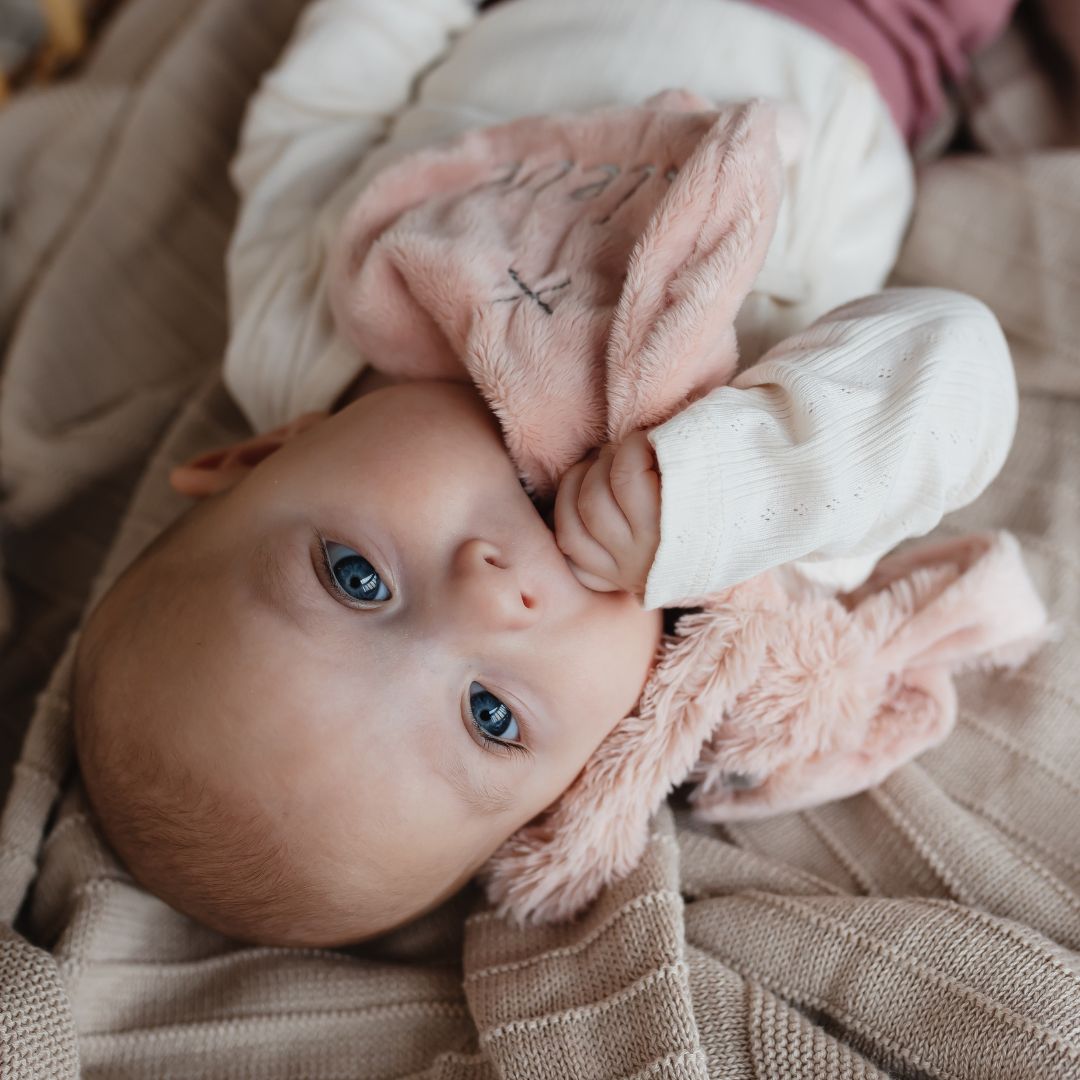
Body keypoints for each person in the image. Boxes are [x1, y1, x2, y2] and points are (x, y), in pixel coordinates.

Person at [72, 0, 1021, 946]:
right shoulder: (746, 555)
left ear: (262, 454)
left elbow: (327, 100)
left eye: (357, 579)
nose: (490, 599)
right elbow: (962, 362)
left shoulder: (307, 318)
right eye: (492, 716)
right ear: (585, 779)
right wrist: (731, 484)